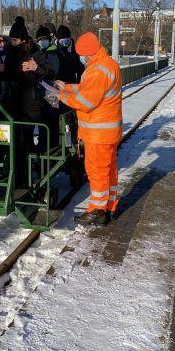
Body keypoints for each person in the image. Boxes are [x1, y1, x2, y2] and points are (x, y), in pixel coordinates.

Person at [55, 32, 123, 226]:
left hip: (98, 132)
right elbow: (89, 88)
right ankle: (108, 207)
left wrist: (60, 96)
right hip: (107, 131)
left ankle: (97, 210)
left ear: (89, 53)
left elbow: (85, 101)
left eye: (81, 54)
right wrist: (66, 86)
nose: (80, 58)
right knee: (108, 170)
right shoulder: (107, 65)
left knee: (97, 170)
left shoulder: (98, 70)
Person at [3, 16, 54, 186]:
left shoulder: (34, 52)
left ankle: (23, 178)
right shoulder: (10, 53)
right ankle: (15, 176)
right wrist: (2, 71)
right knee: (15, 141)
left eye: (15, 39)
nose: (12, 42)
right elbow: (9, 77)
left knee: (24, 141)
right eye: (11, 39)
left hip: (31, 105)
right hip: (14, 103)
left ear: (23, 39)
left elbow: (50, 72)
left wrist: (36, 68)